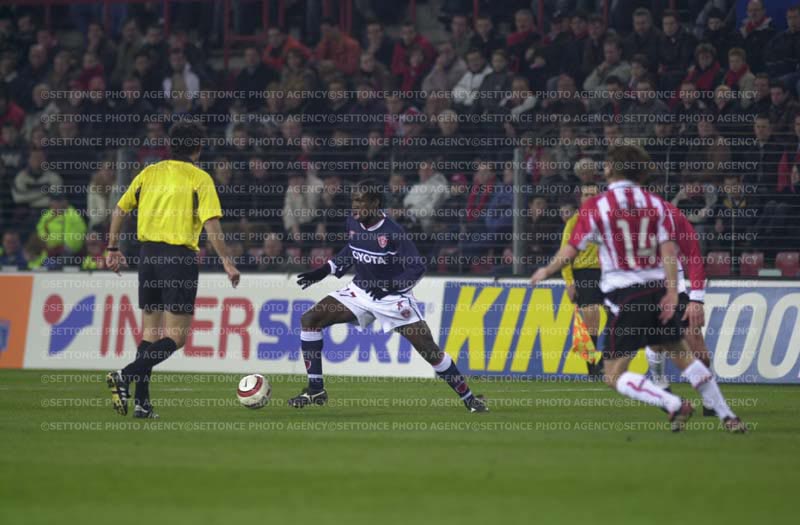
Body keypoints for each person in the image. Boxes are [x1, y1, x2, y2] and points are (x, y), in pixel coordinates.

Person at [530, 144, 746, 433]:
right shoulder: (656, 205)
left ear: (609, 168)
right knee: (684, 355)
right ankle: (728, 416)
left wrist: (546, 270)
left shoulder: (597, 205)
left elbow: (571, 250)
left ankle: (672, 403)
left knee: (613, 374)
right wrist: (672, 292)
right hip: (658, 290)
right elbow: (669, 252)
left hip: (628, 295)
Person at [292, 180, 488, 413]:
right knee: (310, 319)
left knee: (429, 350)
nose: (355, 206)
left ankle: (469, 399)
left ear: (375, 203)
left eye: (361, 201)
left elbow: (417, 267)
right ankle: (316, 389)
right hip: (360, 291)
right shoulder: (352, 221)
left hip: (392, 298)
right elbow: (352, 249)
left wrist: (388, 285)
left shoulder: (393, 232)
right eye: (354, 200)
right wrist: (324, 271)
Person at [105, 121, 240, 419]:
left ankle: (142, 403)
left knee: (150, 334)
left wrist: (112, 248)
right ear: (198, 147)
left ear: (171, 145)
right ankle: (125, 375)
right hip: (178, 258)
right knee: (176, 337)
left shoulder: (149, 172)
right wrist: (227, 261)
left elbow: (120, 209)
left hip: (147, 256)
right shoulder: (199, 178)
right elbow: (211, 223)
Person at [646, 201, 716, 416]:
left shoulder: (671, 214)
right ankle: (660, 382)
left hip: (676, 291)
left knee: (699, 351)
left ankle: (710, 398)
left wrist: (697, 300)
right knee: (656, 344)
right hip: (642, 291)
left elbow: (693, 254)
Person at [560, 182, 603, 378]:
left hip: (608, 273)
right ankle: (592, 366)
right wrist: (570, 282)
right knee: (592, 317)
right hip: (584, 272)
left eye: (593, 194)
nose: (589, 198)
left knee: (622, 314)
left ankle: (604, 360)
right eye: (586, 194)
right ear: (581, 198)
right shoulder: (574, 222)